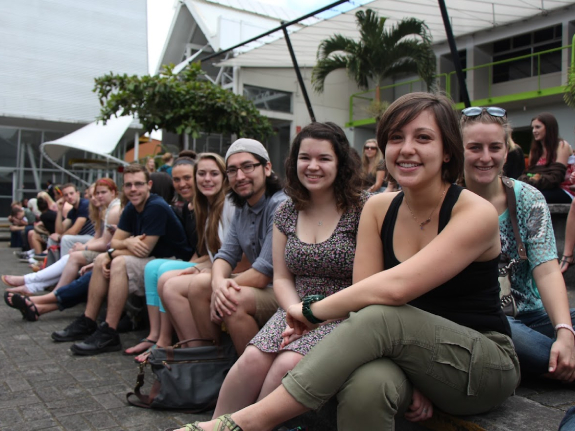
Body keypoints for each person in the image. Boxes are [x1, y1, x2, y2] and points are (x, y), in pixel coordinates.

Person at [172, 92, 521, 431]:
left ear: (447, 150)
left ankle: (247, 423)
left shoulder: (475, 212)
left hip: (480, 360)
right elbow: (361, 295)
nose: (407, 148)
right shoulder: (378, 208)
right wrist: (420, 376)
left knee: (381, 314)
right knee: (365, 387)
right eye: (396, 137)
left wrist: (307, 312)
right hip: (405, 352)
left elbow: (393, 290)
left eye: (424, 137)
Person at [211, 122, 368, 418]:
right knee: (251, 360)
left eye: (324, 158)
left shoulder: (363, 209)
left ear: (341, 162)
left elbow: (365, 285)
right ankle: (215, 426)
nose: (313, 166)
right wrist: (295, 311)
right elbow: (282, 277)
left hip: (343, 313)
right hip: (294, 308)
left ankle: (251, 424)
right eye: (305, 158)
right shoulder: (287, 210)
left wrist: (314, 315)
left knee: (285, 364)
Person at [461, 106, 575, 381]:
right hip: (485, 321)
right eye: (475, 148)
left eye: (495, 147)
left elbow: (546, 269)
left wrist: (563, 330)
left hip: (534, 314)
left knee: (563, 326)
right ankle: (557, 361)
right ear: (457, 148)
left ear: (507, 149)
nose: (486, 157)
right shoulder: (446, 200)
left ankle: (554, 358)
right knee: (512, 337)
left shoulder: (527, 197)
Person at [51, 163, 193, 355]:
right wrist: (126, 244)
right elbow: (116, 242)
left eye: (138, 184)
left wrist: (115, 250)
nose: (133, 189)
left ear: (149, 185)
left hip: (171, 260)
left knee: (117, 261)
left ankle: (109, 331)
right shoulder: (132, 208)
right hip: (152, 259)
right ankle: (88, 321)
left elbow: (142, 250)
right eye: (128, 185)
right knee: (103, 260)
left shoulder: (156, 206)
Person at [163, 139, 286, 356]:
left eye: (248, 167)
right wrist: (218, 283)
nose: (240, 176)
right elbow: (226, 255)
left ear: (267, 168)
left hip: (287, 291)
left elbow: (262, 275)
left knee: (230, 298)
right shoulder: (243, 206)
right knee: (202, 284)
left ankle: (249, 369)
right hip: (263, 287)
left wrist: (220, 290)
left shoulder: (279, 204)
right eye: (232, 170)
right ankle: (212, 357)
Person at [125, 154, 234, 358]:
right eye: (201, 174)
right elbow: (205, 250)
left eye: (213, 173)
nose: (206, 179)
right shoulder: (202, 207)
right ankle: (169, 341)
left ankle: (188, 350)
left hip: (228, 269)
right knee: (161, 273)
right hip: (214, 264)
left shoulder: (228, 205)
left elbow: (231, 255)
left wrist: (198, 268)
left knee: (168, 277)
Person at [2, 179, 120, 298]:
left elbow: (80, 233)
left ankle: (37, 284)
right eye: (93, 195)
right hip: (100, 247)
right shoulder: (97, 209)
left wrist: (83, 247)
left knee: (68, 247)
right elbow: (59, 230)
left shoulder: (95, 207)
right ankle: (33, 285)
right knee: (57, 242)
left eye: (101, 193)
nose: (95, 197)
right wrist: (59, 211)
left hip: (107, 251)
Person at [518, 113, 572, 203]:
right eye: (533, 128)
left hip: (564, 190)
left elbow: (556, 177)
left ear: (549, 128)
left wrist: (531, 181)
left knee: (533, 198)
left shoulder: (562, 145)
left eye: (538, 127)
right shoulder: (534, 151)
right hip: (539, 189)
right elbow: (529, 174)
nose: (534, 131)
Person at [50, 183, 96, 256]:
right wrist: (59, 210)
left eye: (71, 193)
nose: (69, 197)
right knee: (52, 239)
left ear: (77, 193)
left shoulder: (85, 204)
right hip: (82, 237)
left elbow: (74, 231)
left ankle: (64, 266)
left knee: (66, 239)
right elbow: (58, 231)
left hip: (92, 237)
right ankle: (52, 265)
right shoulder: (72, 212)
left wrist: (59, 237)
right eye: (66, 195)